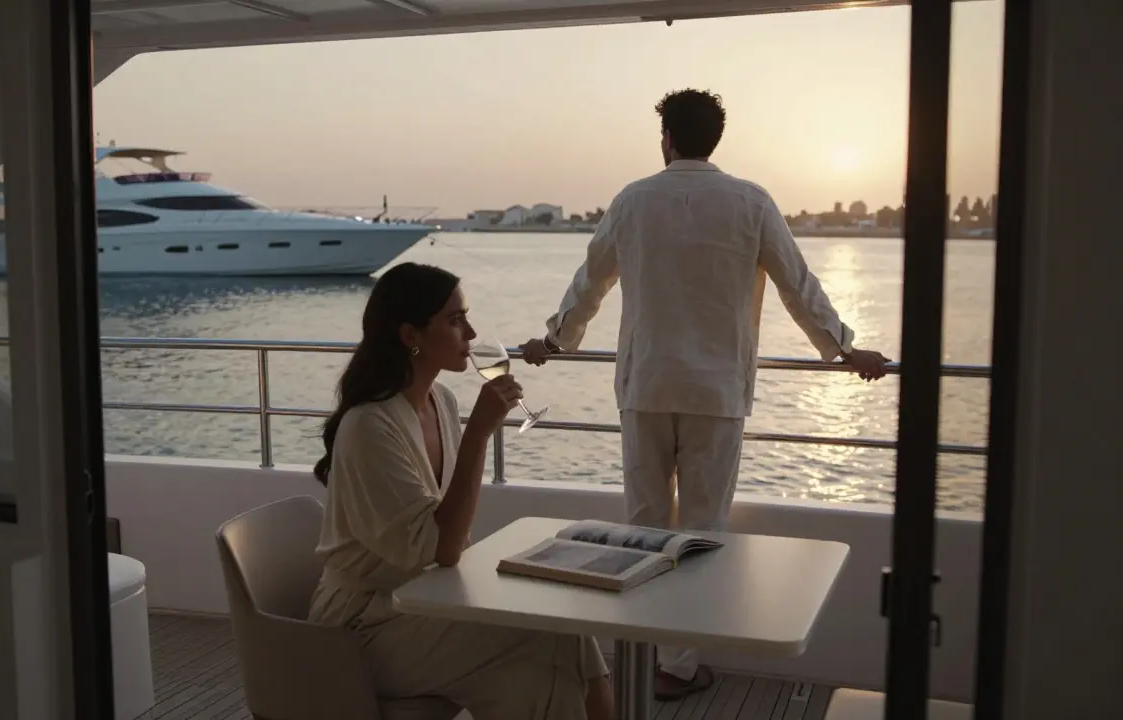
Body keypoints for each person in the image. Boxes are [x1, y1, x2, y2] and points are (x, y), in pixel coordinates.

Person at [519, 89, 890, 700]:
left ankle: (635, 658)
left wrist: (557, 338)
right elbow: (798, 285)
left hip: (645, 382)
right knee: (701, 529)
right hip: (716, 390)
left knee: (641, 524)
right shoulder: (751, 201)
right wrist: (845, 350)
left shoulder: (633, 200)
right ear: (715, 138)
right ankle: (678, 665)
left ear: (666, 137)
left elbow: (591, 281)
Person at [309, 261, 615, 720]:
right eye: (455, 320)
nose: (470, 333)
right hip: (362, 625)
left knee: (561, 636)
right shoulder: (370, 427)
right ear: (411, 335)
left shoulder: (441, 402)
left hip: (424, 600)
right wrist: (480, 436)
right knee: (546, 637)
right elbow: (444, 546)